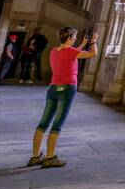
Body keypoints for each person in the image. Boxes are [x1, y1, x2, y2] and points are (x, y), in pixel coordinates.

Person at [28, 28, 97, 168]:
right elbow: (93, 54)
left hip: (53, 88)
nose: (76, 39)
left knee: (43, 123)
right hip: (67, 89)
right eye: (75, 37)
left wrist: (82, 44)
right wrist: (93, 41)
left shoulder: (55, 51)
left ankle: (35, 157)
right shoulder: (71, 52)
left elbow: (70, 54)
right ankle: (50, 158)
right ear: (70, 37)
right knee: (57, 124)